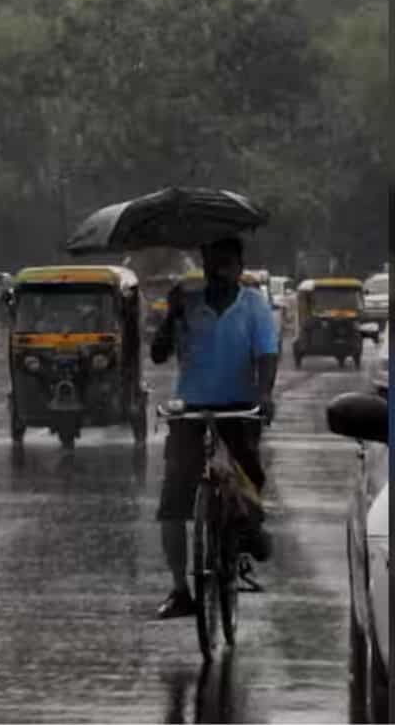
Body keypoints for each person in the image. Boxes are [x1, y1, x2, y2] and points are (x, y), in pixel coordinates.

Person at [151, 235, 279, 619]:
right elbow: (158, 354)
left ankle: (246, 533)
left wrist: (265, 394)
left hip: (240, 407)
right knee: (173, 500)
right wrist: (171, 315)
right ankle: (179, 589)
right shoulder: (186, 303)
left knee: (248, 477)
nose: (220, 272)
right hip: (191, 408)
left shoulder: (255, 306)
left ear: (239, 267)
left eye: (227, 264)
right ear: (205, 266)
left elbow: (267, 355)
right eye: (213, 263)